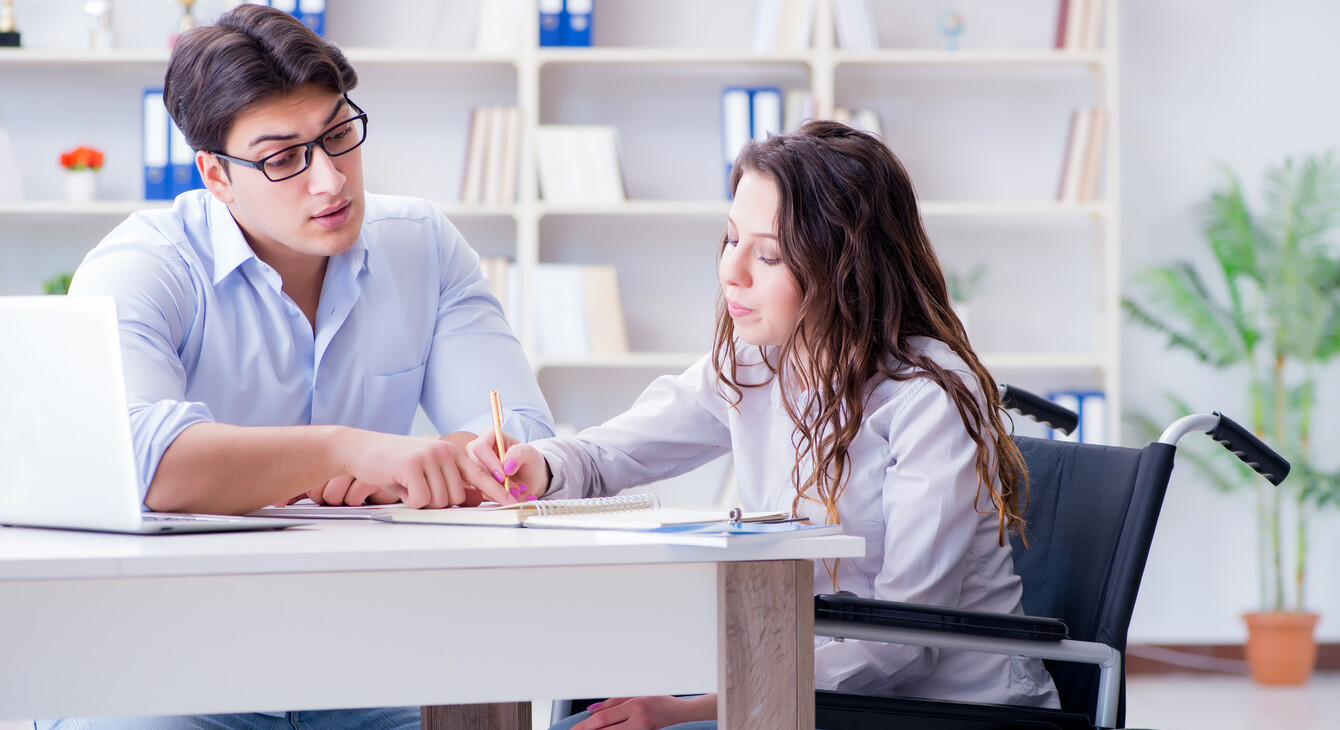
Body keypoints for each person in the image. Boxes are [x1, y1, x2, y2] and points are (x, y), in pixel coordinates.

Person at [41, 5, 552, 730]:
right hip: (164, 664)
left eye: (339, 135)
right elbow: (141, 462)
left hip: (373, 662)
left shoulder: (423, 246)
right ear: (215, 175)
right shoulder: (142, 266)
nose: (331, 181)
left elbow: (520, 434)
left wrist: (434, 461)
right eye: (284, 158)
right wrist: (349, 449)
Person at [470, 120, 1062, 730]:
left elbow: (901, 639)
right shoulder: (754, 361)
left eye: (769, 254)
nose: (732, 271)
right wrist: (536, 466)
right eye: (730, 240)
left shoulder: (928, 396)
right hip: (804, 691)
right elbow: (606, 456)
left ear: (847, 266)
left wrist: (694, 707)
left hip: (945, 711)